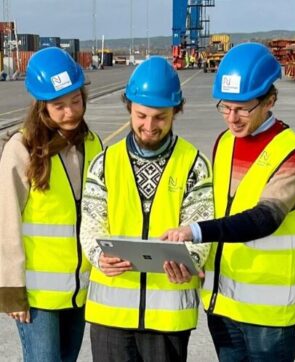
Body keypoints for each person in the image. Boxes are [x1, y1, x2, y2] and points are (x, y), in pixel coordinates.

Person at [163, 42, 295, 362]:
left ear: (270, 100)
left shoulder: (293, 156)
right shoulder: (224, 142)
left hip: (266, 317)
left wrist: (195, 231)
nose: (232, 118)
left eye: (243, 108)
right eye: (225, 107)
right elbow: (217, 207)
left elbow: (263, 219)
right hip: (221, 304)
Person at [79, 56, 213, 362]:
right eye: (141, 116)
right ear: (129, 107)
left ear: (175, 112)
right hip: (110, 317)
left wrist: (190, 260)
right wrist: (99, 256)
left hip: (166, 319)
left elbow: (201, 226)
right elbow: (91, 224)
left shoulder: (194, 165)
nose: (149, 126)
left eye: (160, 117)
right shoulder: (104, 164)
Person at [0, 47, 103, 361]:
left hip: (78, 289)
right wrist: (10, 288)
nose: (71, 112)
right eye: (59, 105)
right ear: (41, 105)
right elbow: (6, 221)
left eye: (76, 101)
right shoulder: (21, 148)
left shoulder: (92, 143)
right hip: (37, 295)